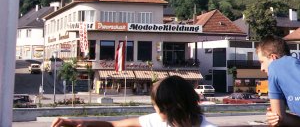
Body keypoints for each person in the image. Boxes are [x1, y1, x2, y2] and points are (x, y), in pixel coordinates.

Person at [51, 75, 216, 127]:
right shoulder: (157, 121)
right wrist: (76, 122)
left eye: (156, 106)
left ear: (169, 106)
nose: (155, 110)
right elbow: (114, 125)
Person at [256, 35, 300, 126]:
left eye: (262, 62)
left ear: (273, 58)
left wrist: (274, 117)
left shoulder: (274, 67)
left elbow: (279, 119)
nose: (262, 69)